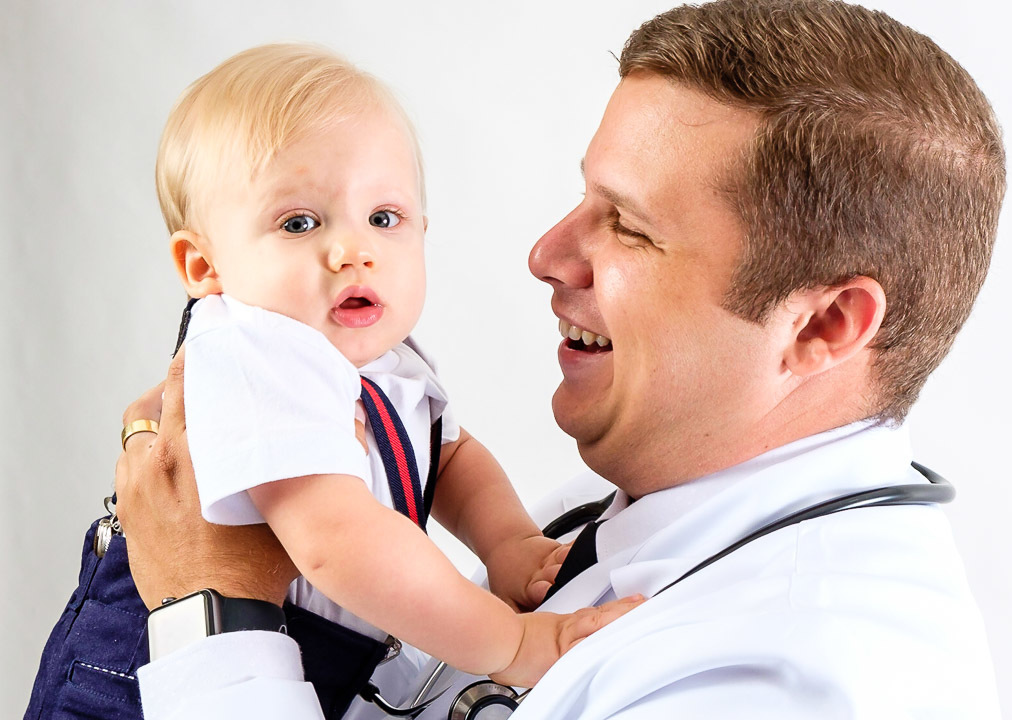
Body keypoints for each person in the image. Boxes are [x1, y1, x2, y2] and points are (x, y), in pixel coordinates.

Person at [115, 0, 1005, 717]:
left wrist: (209, 612)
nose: (545, 254)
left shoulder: (786, 685)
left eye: (630, 227)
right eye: (584, 197)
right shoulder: (620, 510)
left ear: (824, 324)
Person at [26, 43, 642, 720]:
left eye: (383, 218)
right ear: (204, 266)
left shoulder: (383, 357)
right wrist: (514, 643)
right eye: (299, 223)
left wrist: (509, 545)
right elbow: (338, 542)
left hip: (290, 658)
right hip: (132, 683)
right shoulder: (258, 353)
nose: (355, 250)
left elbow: (447, 455)